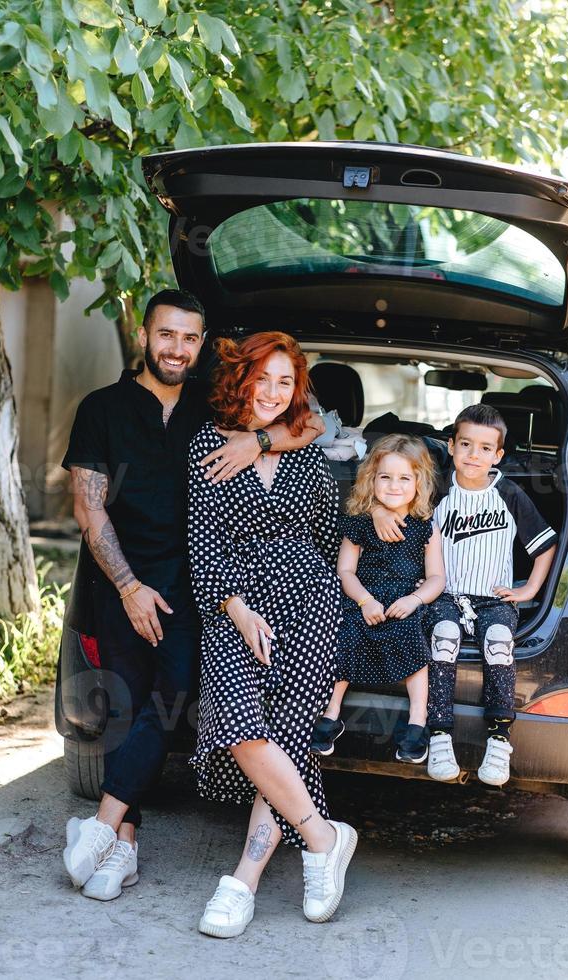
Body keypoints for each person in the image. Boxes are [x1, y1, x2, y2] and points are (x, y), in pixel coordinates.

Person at [60, 291, 325, 901]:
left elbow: (309, 420)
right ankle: (123, 844)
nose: (177, 348)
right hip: (118, 578)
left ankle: (101, 830)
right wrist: (129, 587)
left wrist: (258, 443)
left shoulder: (218, 404)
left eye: (189, 338)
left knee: (171, 699)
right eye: (166, 335)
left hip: (197, 584)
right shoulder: (102, 408)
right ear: (144, 335)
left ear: (202, 343)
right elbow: (88, 506)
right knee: (123, 709)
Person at [188, 331, 357, 939]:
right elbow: (203, 543)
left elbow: (326, 530)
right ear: (241, 377)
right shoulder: (208, 445)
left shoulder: (305, 448)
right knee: (238, 725)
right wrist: (238, 608)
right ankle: (323, 837)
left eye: (286, 381)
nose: (273, 391)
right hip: (234, 601)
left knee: (285, 737)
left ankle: (243, 881)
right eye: (263, 377)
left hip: (307, 601)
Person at [376, 404, 557, 786]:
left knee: (499, 640)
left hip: (493, 599)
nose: (474, 455)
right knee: (444, 638)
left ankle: (499, 738)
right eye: (466, 445)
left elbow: (545, 548)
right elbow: (395, 500)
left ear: (498, 455)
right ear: (451, 445)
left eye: (485, 448)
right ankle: (439, 735)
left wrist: (530, 589)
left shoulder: (509, 493)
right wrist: (379, 511)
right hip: (446, 593)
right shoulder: (438, 488)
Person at [310, 434, 445, 763]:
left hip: (404, 600)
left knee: (413, 637)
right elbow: (345, 572)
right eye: (385, 477)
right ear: (372, 479)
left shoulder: (426, 527)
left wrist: (415, 600)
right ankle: (331, 713)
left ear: (419, 482)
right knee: (345, 634)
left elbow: (438, 578)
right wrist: (364, 601)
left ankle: (417, 721)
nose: (394, 486)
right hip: (364, 598)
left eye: (404, 478)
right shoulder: (358, 524)